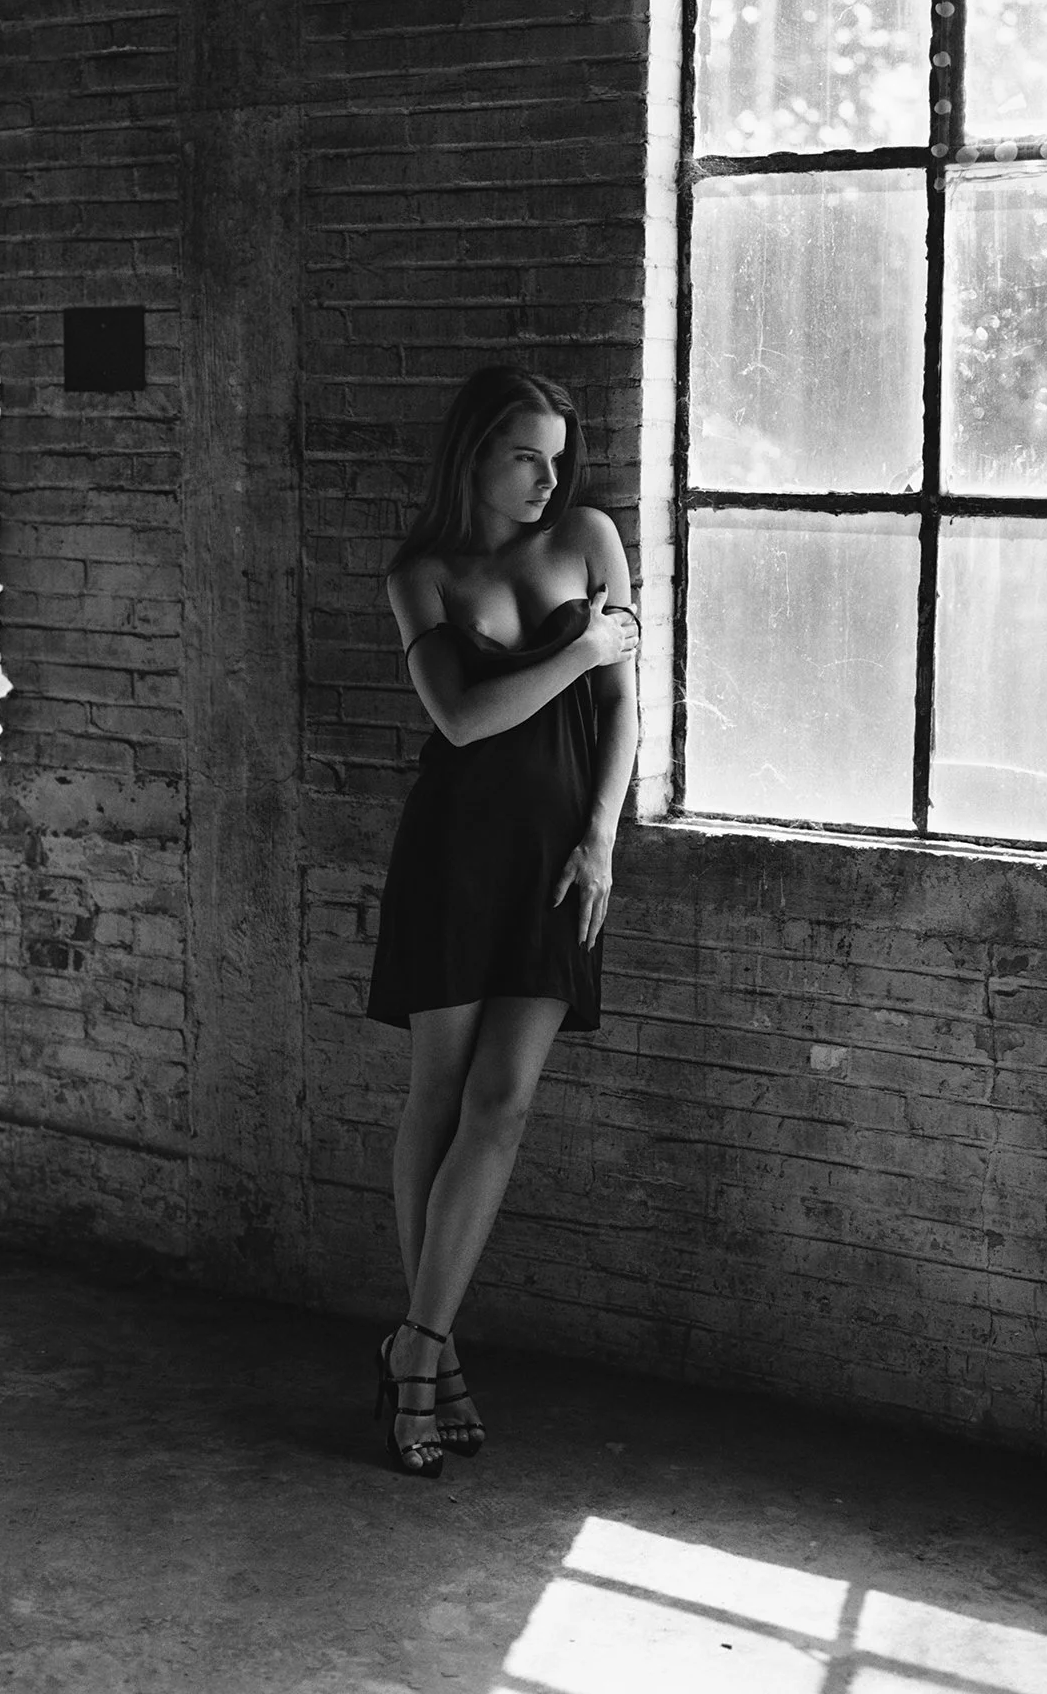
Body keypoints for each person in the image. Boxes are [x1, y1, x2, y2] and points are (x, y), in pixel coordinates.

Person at [366, 365, 640, 1476]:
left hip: (560, 860)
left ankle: (415, 1347)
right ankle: (429, 1350)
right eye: (526, 455)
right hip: (455, 855)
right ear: (474, 452)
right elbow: (464, 718)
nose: (548, 478)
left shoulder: (589, 537)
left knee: (506, 1100)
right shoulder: (421, 574)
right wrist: (578, 649)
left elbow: (622, 710)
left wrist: (602, 837)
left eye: (557, 458)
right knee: (438, 1096)